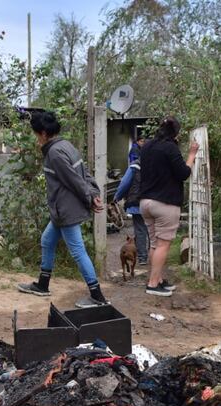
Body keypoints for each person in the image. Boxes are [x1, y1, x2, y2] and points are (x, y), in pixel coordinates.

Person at [17, 111, 108, 308]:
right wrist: (92, 192)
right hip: (61, 210)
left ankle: (97, 296)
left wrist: (90, 197)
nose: (35, 139)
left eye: (35, 135)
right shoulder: (65, 146)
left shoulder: (55, 153)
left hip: (66, 210)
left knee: (77, 251)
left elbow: (74, 180)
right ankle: (43, 285)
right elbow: (84, 173)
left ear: (42, 133)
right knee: (47, 240)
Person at [138, 116, 198, 297]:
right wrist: (191, 155)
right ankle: (153, 283)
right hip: (164, 203)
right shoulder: (170, 148)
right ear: (176, 133)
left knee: (155, 244)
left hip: (145, 203)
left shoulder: (147, 146)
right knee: (163, 245)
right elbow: (183, 173)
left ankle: (159, 280)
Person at [113, 137, 149, 265]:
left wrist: (117, 197)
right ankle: (153, 255)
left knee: (140, 229)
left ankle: (143, 257)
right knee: (152, 230)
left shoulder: (135, 166)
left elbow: (124, 183)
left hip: (137, 203)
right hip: (154, 202)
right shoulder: (157, 166)